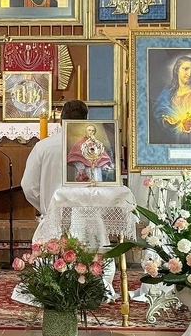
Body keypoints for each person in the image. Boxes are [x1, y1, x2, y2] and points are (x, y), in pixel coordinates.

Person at [16, 100, 116, 305]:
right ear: (86, 121)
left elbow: (28, 185)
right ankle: (93, 288)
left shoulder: (43, 147)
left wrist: (45, 206)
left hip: (55, 217)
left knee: (54, 260)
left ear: (60, 120)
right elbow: (105, 182)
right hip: (88, 217)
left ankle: (53, 288)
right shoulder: (95, 148)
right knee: (92, 255)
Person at [150, 55, 191, 144]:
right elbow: (156, 115)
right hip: (170, 143)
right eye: (186, 69)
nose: (189, 74)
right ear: (177, 70)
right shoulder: (168, 92)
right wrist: (166, 120)